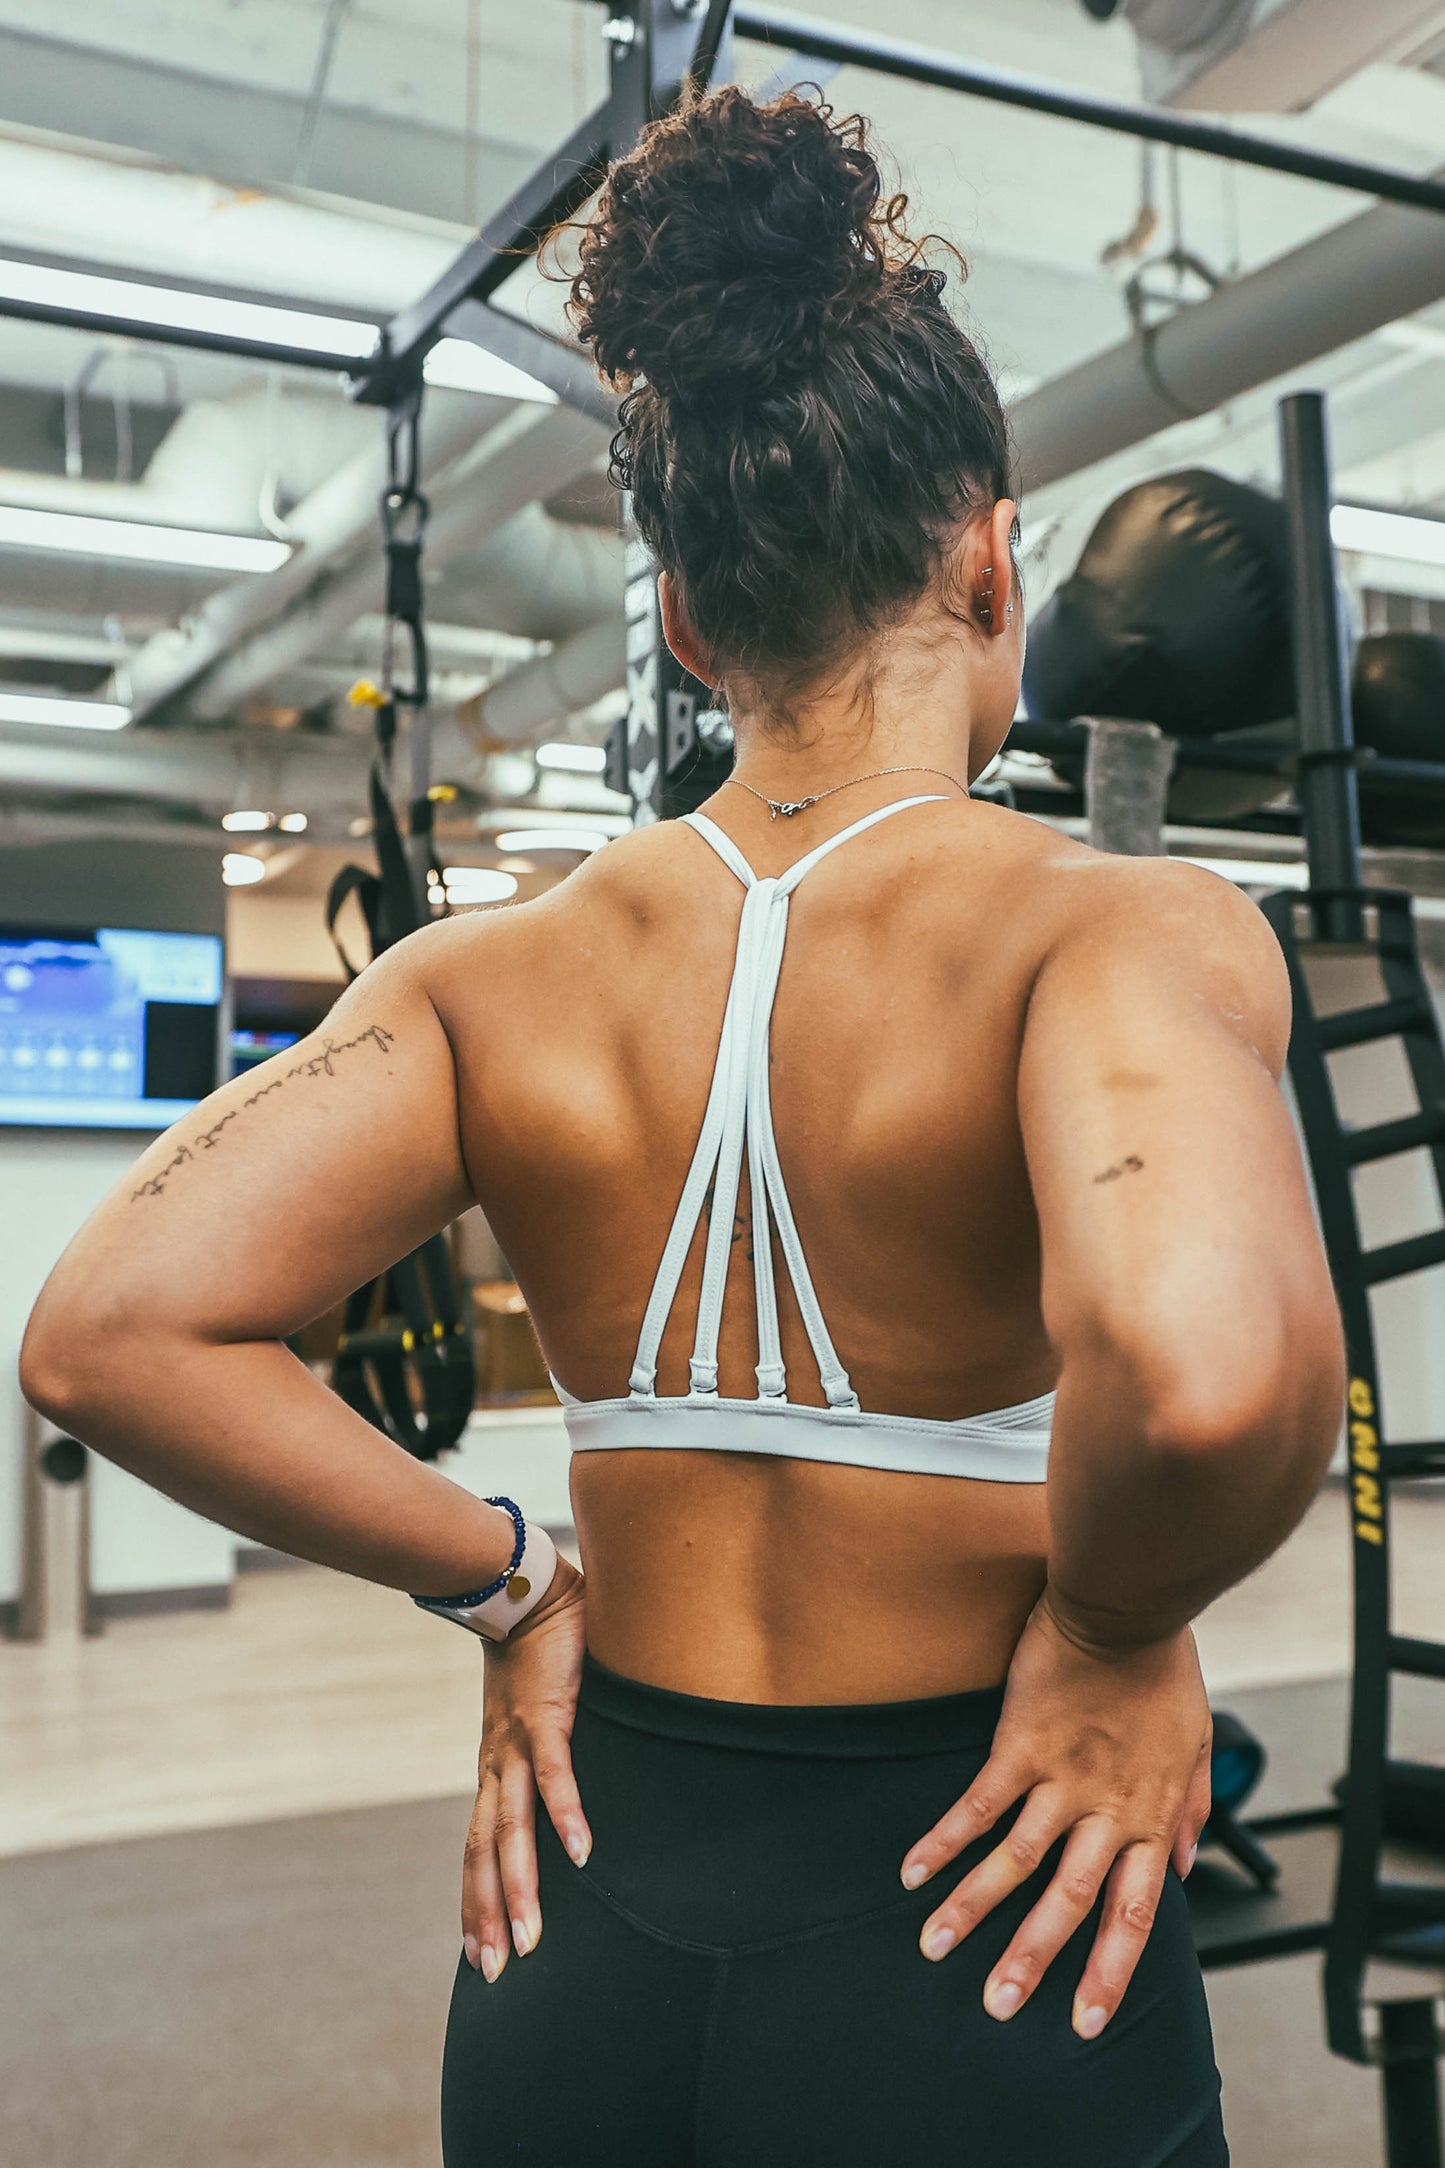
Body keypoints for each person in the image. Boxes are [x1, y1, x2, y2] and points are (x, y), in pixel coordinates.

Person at [23, 86, 1343, 2168]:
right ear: (992, 562)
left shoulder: (492, 977)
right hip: (969, 1931)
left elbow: (102, 1331)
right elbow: (1206, 1379)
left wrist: (512, 1589)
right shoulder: (1116, 930)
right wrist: (1109, 1633)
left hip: (582, 1930)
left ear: (696, 624)